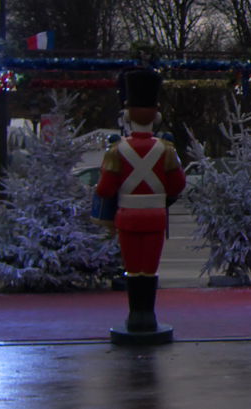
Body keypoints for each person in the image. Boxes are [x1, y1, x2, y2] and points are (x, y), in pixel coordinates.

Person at [94, 69, 187, 345]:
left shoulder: (116, 150)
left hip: (127, 218)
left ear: (127, 114)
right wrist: (161, 200)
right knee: (151, 268)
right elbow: (178, 184)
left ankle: (135, 316)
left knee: (133, 269)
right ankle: (149, 315)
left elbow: (105, 189)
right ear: (156, 114)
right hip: (156, 218)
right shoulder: (167, 150)